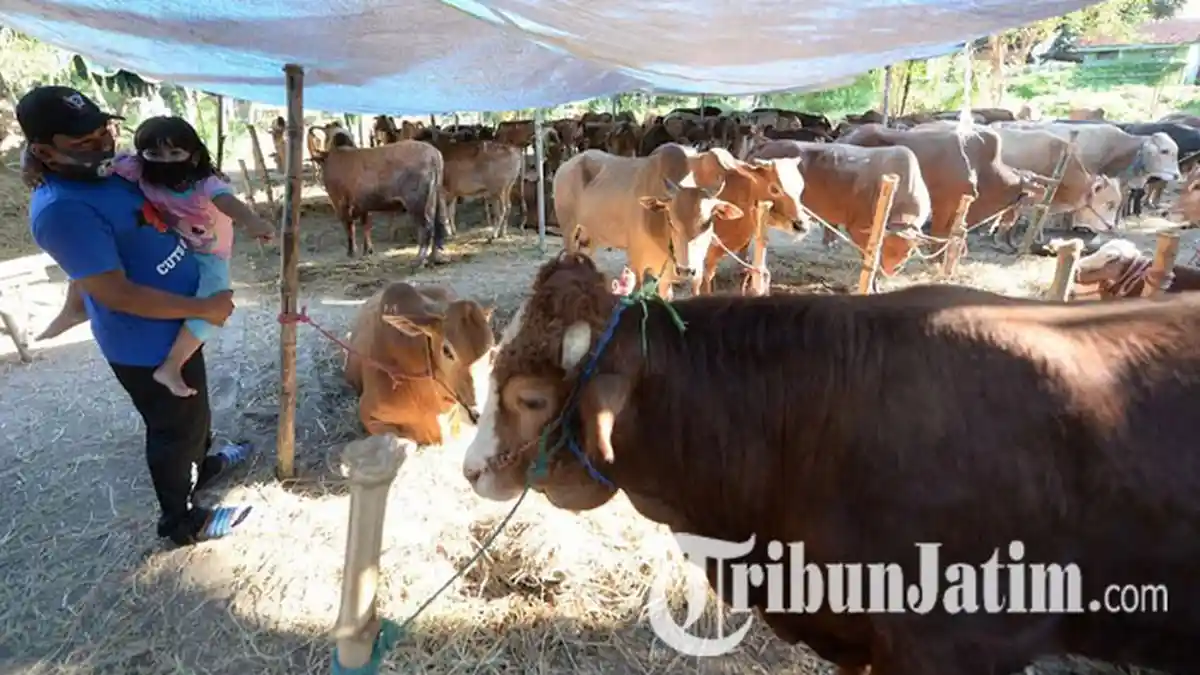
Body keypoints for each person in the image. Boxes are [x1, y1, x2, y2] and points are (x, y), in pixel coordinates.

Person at [21, 85, 256, 546]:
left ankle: (202, 465)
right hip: (146, 342)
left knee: (196, 412)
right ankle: (181, 522)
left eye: (103, 131)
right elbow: (116, 293)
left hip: (176, 323)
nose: (104, 145)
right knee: (173, 430)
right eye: (84, 142)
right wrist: (203, 307)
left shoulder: (105, 175)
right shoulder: (63, 210)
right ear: (44, 151)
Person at [34, 115, 275, 397]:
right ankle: (76, 312)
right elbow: (93, 170)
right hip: (177, 239)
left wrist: (252, 221)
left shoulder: (205, 183)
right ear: (142, 155)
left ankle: (174, 360)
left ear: (194, 156)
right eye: (154, 153)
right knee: (89, 269)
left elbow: (229, 203)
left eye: (175, 153)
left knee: (217, 303)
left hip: (210, 253)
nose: (165, 160)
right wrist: (37, 167)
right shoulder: (135, 169)